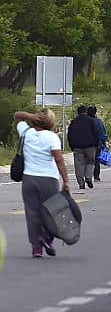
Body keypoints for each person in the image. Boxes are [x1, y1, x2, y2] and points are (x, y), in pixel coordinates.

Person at [13, 109, 70, 258]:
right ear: (51, 122)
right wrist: (66, 180)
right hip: (48, 179)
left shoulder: (26, 132)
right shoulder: (52, 137)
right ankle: (46, 237)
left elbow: (18, 116)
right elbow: (58, 160)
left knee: (32, 214)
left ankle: (36, 248)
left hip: (29, 179)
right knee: (52, 211)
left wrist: (32, 117)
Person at [67, 105, 100, 190]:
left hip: (77, 146)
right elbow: (96, 133)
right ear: (85, 112)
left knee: (79, 164)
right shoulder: (90, 121)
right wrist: (96, 144)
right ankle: (88, 178)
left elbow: (69, 135)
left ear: (77, 112)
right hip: (90, 146)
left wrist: (72, 146)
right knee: (91, 162)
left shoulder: (73, 122)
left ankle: (81, 183)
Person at [87, 106, 107, 183]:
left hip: (88, 144)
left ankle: (87, 175)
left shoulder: (86, 121)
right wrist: (104, 142)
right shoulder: (99, 122)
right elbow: (103, 133)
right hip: (97, 144)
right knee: (96, 160)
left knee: (87, 160)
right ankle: (96, 176)